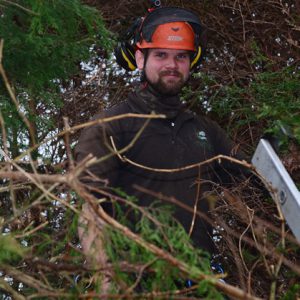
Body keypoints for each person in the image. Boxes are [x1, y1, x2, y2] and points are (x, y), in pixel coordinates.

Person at [75, 6, 246, 270]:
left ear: (192, 62)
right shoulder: (111, 126)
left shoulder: (206, 130)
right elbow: (89, 208)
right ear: (140, 59)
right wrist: (106, 277)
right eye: (161, 55)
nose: (172, 65)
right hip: (135, 280)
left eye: (181, 57)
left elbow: (252, 182)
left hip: (199, 282)